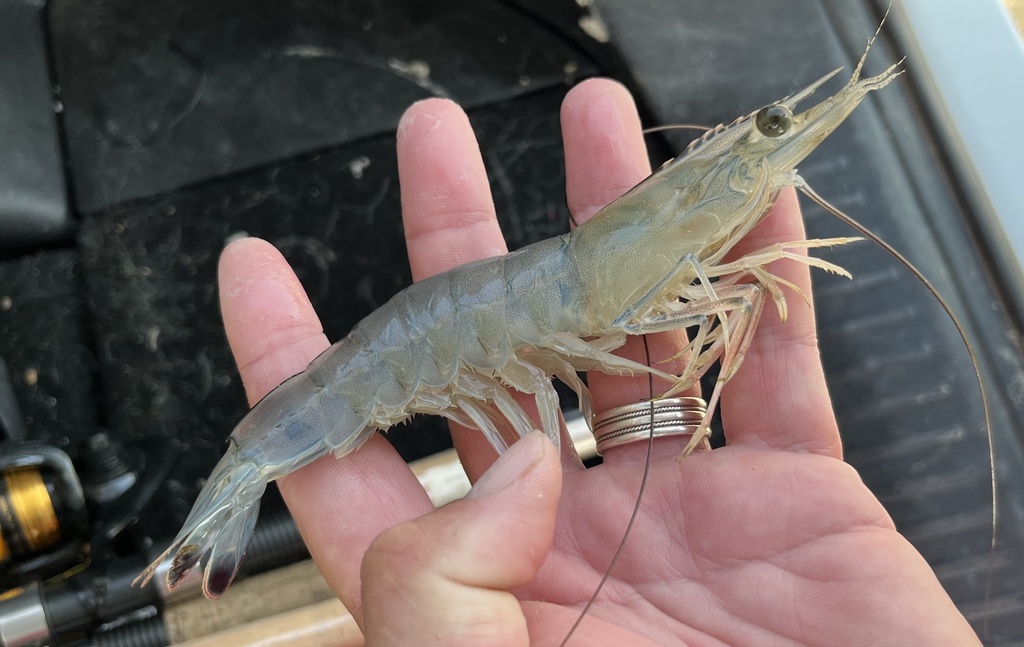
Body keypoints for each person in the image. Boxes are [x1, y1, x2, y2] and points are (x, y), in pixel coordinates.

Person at [216, 79, 981, 646]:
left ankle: (247, 474)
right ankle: (250, 470)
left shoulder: (706, 187)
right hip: (414, 348)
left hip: (492, 314)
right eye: (760, 134)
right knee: (746, 290)